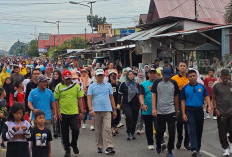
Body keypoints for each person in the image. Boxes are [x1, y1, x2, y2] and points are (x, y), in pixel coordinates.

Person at [181, 70, 212, 157]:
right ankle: (193, 148)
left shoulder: (202, 87)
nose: (192, 77)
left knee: (199, 130)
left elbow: (206, 96)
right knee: (191, 129)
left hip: (199, 110)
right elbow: (182, 101)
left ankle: (198, 148)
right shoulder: (185, 88)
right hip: (189, 110)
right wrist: (183, 113)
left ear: (196, 76)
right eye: (190, 76)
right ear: (188, 77)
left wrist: (209, 105)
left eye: (194, 76)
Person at [54, 70, 84, 157]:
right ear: (63, 78)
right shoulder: (58, 87)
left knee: (76, 130)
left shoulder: (76, 86)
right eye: (66, 79)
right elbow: (56, 100)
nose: (68, 80)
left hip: (74, 112)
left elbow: (80, 99)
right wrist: (58, 112)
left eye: (69, 79)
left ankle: (74, 144)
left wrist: (81, 111)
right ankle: (67, 149)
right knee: (64, 133)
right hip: (63, 113)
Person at [87, 69, 117, 155]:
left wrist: (114, 109)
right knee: (98, 129)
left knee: (107, 128)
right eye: (98, 75)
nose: (100, 77)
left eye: (101, 75)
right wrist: (90, 109)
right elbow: (89, 98)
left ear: (104, 76)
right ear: (95, 76)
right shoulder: (92, 86)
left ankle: (109, 146)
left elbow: (111, 97)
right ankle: (99, 146)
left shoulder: (108, 85)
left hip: (107, 109)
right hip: (96, 110)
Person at [152, 67, 179, 157]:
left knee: (172, 132)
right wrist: (154, 108)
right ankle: (158, 144)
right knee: (160, 131)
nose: (166, 78)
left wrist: (177, 109)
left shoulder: (173, 83)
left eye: (168, 77)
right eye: (165, 76)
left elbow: (176, 97)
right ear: (162, 74)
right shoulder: (157, 82)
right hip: (160, 111)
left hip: (171, 111)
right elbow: (154, 95)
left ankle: (170, 150)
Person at [139, 68, 165, 150]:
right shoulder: (143, 84)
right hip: (147, 109)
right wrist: (142, 104)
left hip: (158, 109)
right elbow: (141, 95)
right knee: (148, 127)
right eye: (151, 73)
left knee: (159, 126)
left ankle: (161, 142)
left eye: (154, 73)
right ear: (148, 74)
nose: (152, 74)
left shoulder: (160, 83)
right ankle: (150, 143)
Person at [212, 69, 232, 157]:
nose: (225, 80)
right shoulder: (216, 86)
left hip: (231, 112)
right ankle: (225, 148)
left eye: (227, 78)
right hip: (221, 112)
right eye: (224, 78)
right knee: (222, 132)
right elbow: (213, 98)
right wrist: (215, 109)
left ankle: (231, 145)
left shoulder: (231, 84)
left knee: (231, 131)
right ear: (220, 77)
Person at [171, 61, 190, 150]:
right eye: (181, 66)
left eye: (184, 66)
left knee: (188, 124)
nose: (182, 67)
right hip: (178, 104)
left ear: (187, 68)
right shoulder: (174, 78)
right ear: (178, 68)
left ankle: (187, 142)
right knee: (179, 123)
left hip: (189, 103)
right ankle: (179, 139)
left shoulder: (190, 78)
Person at [118, 70, 140, 140]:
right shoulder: (123, 84)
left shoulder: (137, 84)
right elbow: (120, 94)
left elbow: (140, 94)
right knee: (129, 117)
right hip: (126, 104)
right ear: (127, 75)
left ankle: (132, 132)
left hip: (136, 104)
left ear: (134, 76)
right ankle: (128, 132)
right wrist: (118, 104)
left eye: (132, 74)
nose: (131, 76)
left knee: (134, 118)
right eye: (129, 74)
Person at [49, 70, 62, 138]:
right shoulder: (51, 84)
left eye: (57, 74)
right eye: (54, 74)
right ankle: (55, 131)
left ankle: (60, 130)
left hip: (60, 102)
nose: (55, 75)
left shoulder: (62, 83)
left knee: (60, 116)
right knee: (54, 115)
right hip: (53, 101)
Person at [108, 70, 121, 136]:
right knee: (111, 115)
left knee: (118, 115)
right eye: (111, 75)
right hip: (110, 102)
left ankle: (115, 125)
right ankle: (112, 128)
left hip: (117, 101)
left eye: (114, 75)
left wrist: (117, 84)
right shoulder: (107, 84)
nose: (113, 77)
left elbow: (121, 92)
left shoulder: (119, 83)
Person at [135, 68, 146, 134]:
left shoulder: (145, 81)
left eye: (142, 72)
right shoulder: (135, 80)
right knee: (138, 114)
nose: (140, 73)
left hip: (144, 99)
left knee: (142, 114)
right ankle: (138, 127)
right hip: (136, 99)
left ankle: (141, 127)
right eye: (139, 72)